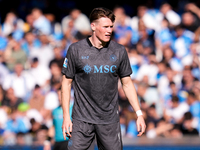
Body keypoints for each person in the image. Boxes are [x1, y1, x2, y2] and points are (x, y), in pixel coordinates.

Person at [61, 7, 146, 150]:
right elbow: (66, 83)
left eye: (111, 26)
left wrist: (139, 114)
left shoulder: (119, 51)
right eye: (105, 27)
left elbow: (127, 84)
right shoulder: (76, 50)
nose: (109, 30)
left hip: (109, 121)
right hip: (81, 121)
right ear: (93, 26)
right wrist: (66, 117)